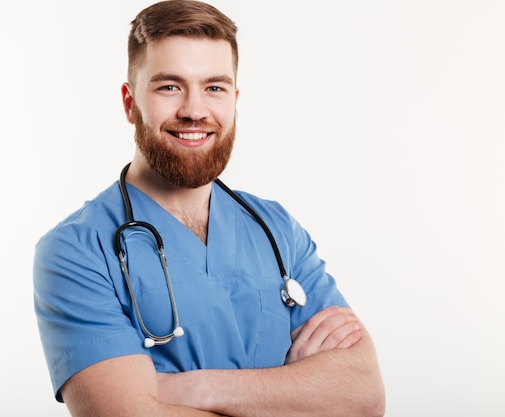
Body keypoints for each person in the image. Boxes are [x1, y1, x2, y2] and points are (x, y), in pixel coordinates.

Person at [33, 1, 385, 416]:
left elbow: (363, 396)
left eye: (214, 87)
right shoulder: (77, 251)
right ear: (130, 103)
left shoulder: (277, 230)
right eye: (169, 87)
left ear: (234, 100)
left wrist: (182, 389)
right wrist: (296, 393)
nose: (195, 110)